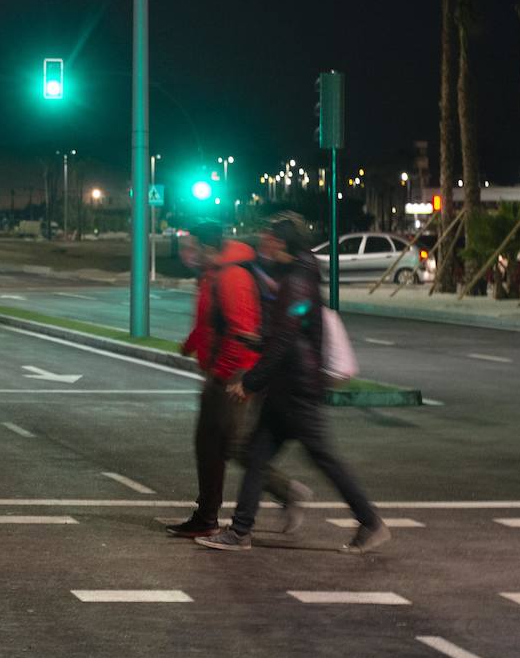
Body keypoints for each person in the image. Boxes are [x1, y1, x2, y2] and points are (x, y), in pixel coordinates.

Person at [197, 213, 390, 554]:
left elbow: (287, 336)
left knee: (324, 457)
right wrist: (258, 341)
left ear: (283, 243)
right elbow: (288, 331)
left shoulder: (298, 279)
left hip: (297, 388)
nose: (264, 244)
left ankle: (370, 522)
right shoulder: (295, 274)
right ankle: (240, 531)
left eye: (270, 238)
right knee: (256, 456)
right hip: (287, 387)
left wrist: (251, 381)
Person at [166, 220, 308, 539]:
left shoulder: (232, 276)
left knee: (233, 445)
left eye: (192, 246)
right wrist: (190, 345)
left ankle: (289, 493)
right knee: (208, 446)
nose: (187, 253)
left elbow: (241, 331)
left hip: (234, 372)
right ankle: (205, 516)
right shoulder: (213, 273)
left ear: (208, 247)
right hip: (219, 370)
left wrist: (223, 372)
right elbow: (210, 321)